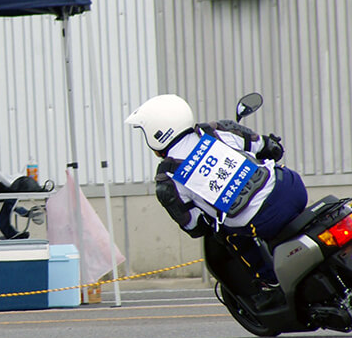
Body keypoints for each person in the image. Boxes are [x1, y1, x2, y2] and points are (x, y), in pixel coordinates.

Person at [125, 94, 308, 290]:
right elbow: (269, 147)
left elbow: (194, 226)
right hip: (293, 189)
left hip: (263, 222)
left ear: (156, 133)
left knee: (227, 234)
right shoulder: (217, 130)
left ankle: (270, 281)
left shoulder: (168, 178)